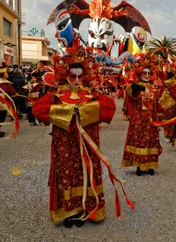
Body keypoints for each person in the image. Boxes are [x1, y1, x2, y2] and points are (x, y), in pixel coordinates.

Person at [32, 47, 124, 227]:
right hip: (64, 146)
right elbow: (37, 109)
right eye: (73, 76)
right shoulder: (56, 96)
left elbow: (109, 107)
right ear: (65, 75)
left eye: (80, 76)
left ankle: (88, 207)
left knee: (86, 172)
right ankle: (69, 209)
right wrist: (66, 112)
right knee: (68, 174)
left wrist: (84, 111)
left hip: (88, 145)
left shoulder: (91, 94)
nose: (76, 80)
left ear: (85, 76)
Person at [122, 55, 162, 176]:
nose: (146, 74)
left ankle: (150, 165)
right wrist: (135, 88)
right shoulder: (135, 86)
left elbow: (158, 103)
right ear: (140, 73)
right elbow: (129, 94)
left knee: (151, 141)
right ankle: (139, 165)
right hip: (139, 119)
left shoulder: (154, 87)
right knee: (139, 141)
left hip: (151, 120)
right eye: (144, 72)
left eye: (148, 73)